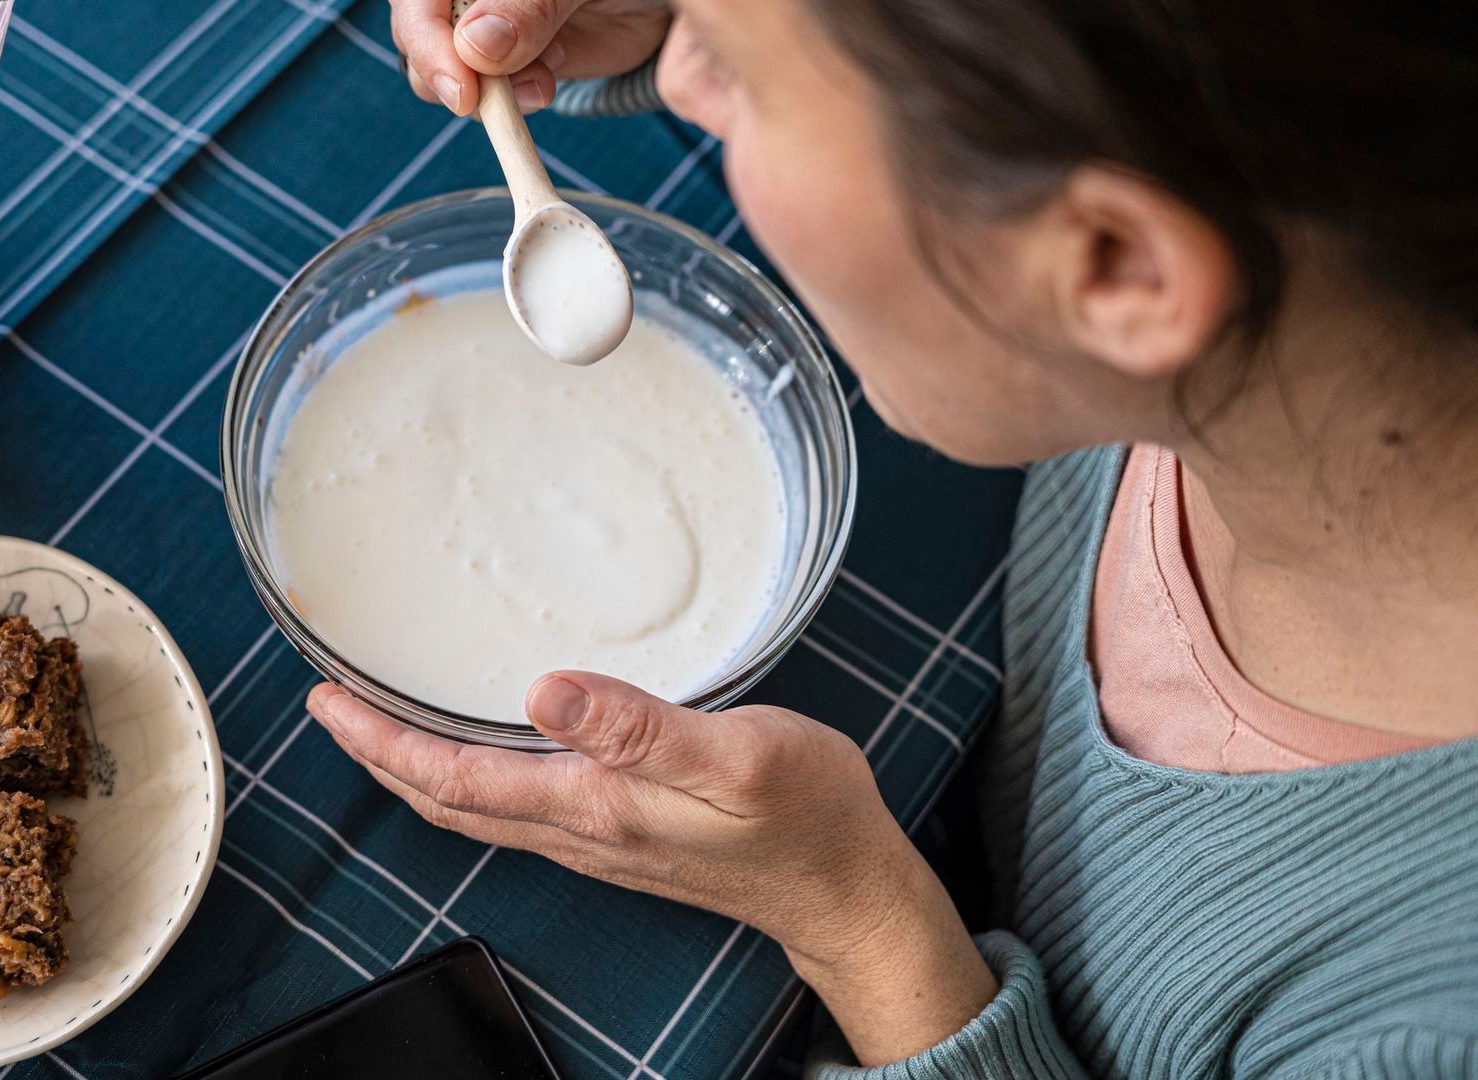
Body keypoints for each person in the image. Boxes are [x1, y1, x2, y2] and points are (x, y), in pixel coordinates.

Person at [306, 1, 1478, 1075]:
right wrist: (692, 27)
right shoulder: (1307, 307)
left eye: (739, 79)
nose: (692, 90)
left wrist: (856, 916)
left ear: (1117, 266)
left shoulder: (1421, 1025)